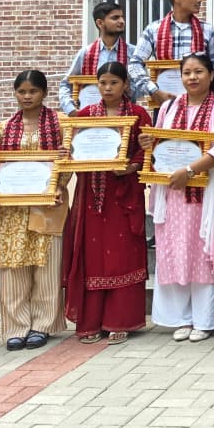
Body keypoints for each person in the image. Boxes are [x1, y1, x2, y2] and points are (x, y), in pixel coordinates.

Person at [143, 53, 214, 341]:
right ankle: (180, 318)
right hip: (174, 191)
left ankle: (206, 319)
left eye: (199, 72)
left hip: (209, 190)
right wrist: (148, 142)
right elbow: (161, 144)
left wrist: (190, 170)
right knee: (177, 249)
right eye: (187, 72)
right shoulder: (168, 107)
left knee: (205, 250)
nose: (192, 77)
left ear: (211, 74)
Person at [63, 61, 151, 344]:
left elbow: (147, 151)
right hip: (91, 196)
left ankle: (120, 320)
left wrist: (130, 167)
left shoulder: (138, 114)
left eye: (114, 82)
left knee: (123, 254)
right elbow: (74, 150)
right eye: (103, 83)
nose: (108, 88)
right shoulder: (86, 115)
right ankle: (91, 321)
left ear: (125, 85)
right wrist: (69, 153)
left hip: (124, 195)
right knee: (93, 256)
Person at [0, 70, 67, 351]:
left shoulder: (60, 123)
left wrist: (59, 185)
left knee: (46, 266)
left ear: (44, 93)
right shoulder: (3, 127)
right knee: (13, 266)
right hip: (11, 208)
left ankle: (43, 325)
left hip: (48, 203)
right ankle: (15, 327)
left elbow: (67, 160)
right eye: (22, 91)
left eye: (33, 91)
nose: (27, 96)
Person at [130, 0, 214, 108]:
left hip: (200, 102)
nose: (199, 0)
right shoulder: (153, 29)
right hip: (164, 102)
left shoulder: (207, 30)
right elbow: (134, 64)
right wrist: (153, 91)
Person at [59, 0, 140, 114]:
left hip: (123, 116)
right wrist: (70, 109)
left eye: (122, 17)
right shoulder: (86, 53)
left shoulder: (133, 53)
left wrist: (127, 88)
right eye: (115, 18)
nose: (122, 21)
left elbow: (140, 87)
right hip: (89, 117)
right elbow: (66, 84)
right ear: (100, 23)